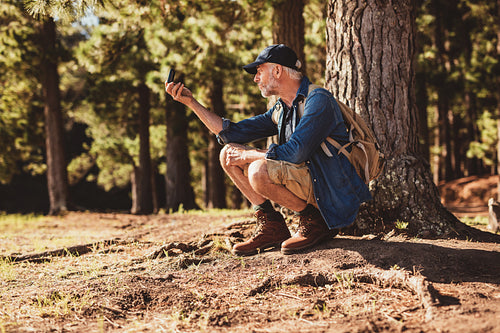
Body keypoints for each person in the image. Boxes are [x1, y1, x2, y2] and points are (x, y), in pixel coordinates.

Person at [165, 44, 372, 256]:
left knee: (258, 170)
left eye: (259, 71)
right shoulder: (282, 109)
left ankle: (314, 221)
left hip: (331, 189)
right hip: (310, 180)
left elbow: (295, 153)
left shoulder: (318, 100)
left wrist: (250, 155)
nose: (255, 78)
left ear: (277, 70)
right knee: (228, 154)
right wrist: (191, 103)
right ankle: (272, 226)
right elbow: (233, 133)